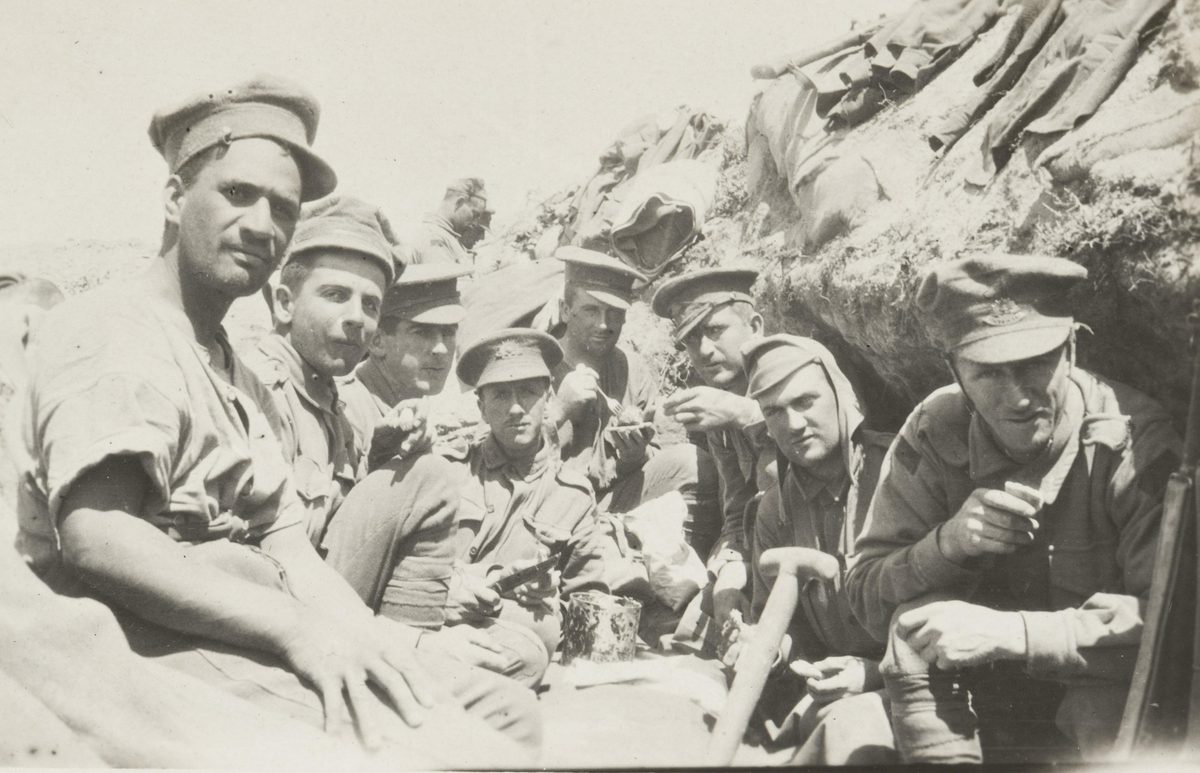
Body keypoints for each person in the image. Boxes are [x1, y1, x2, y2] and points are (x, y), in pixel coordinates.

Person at [14, 75, 537, 765]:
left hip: (241, 622)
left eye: (283, 209)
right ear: (175, 197)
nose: (262, 225)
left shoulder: (236, 371)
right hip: (138, 638)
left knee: (505, 711)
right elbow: (100, 539)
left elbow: (290, 546)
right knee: (468, 753)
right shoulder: (115, 328)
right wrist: (299, 631)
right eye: (238, 194)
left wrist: (376, 638)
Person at [846, 254, 1180, 763]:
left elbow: (1176, 628)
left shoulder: (1132, 445)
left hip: (1098, 691)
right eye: (987, 373)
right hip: (988, 699)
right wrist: (948, 545)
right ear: (955, 370)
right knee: (911, 629)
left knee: (1103, 712)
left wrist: (1016, 634)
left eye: (1035, 363)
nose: (1018, 397)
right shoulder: (934, 432)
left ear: (1070, 349)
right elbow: (866, 596)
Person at [733, 334, 896, 765]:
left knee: (847, 735)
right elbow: (785, 625)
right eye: (774, 412)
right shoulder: (774, 510)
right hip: (833, 691)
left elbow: (961, 605)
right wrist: (768, 649)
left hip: (918, 683)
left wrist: (877, 672)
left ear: (842, 397)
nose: (792, 424)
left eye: (805, 401)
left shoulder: (903, 472)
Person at [439, 328, 608, 686]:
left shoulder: (573, 496)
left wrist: (549, 594)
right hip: (441, 615)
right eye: (500, 395)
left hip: (512, 631)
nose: (516, 408)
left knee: (542, 627)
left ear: (548, 399)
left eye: (529, 392)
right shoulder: (449, 471)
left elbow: (588, 597)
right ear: (481, 408)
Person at [244, 194, 394, 546]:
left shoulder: (329, 400)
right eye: (336, 295)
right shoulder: (261, 394)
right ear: (284, 304)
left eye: (370, 304)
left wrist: (383, 457)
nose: (357, 318)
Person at [551, 247, 719, 557]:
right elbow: (509, 458)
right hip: (549, 513)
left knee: (693, 464)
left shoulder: (632, 368)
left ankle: (685, 575)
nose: (604, 324)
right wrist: (558, 411)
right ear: (565, 309)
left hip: (610, 504)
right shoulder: (536, 369)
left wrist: (634, 455)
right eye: (591, 310)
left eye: (614, 313)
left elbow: (654, 458)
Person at [651, 268, 777, 634]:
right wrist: (728, 567)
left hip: (823, 553)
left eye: (716, 331)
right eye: (691, 340)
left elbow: (827, 470)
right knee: (691, 627)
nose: (704, 350)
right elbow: (736, 512)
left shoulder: (796, 372)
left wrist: (745, 415)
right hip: (760, 556)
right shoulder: (720, 403)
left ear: (754, 326)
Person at [340, 263, 473, 468]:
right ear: (377, 342)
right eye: (421, 333)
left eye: (448, 333)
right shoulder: (347, 413)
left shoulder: (405, 398)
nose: (441, 349)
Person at [410, 177, 493, 265]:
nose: (475, 221)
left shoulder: (447, 237)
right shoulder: (434, 238)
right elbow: (442, 276)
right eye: (475, 214)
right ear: (460, 202)